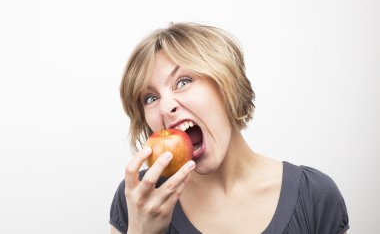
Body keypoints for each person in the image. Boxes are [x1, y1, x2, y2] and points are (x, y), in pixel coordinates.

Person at [109, 22, 349, 234]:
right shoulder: (139, 199)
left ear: (227, 84)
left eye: (182, 82)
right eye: (150, 98)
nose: (165, 108)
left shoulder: (313, 195)